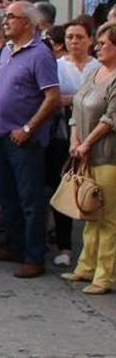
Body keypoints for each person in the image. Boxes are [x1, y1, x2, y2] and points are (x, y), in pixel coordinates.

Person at [0, 1, 61, 278]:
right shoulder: (7, 50)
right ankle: (13, 244)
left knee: (30, 198)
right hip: (1, 133)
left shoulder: (40, 54)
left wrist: (28, 128)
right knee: (7, 196)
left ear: (27, 23)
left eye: (11, 17)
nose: (5, 22)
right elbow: (0, 91)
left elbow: (52, 98)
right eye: (4, 17)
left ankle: (34, 255)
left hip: (24, 139)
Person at [64, 20, 116, 294]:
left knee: (108, 216)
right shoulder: (95, 72)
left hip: (108, 155)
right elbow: (76, 108)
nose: (98, 47)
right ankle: (85, 266)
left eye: (103, 43)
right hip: (85, 152)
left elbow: (111, 118)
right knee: (88, 210)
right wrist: (75, 139)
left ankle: (104, 275)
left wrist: (87, 143)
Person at [46, 20, 99, 265]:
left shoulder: (99, 67)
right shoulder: (56, 66)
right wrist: (80, 99)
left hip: (96, 135)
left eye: (79, 37)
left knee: (95, 191)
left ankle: (94, 250)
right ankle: (64, 246)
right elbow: (52, 99)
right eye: (69, 37)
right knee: (64, 186)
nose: (74, 42)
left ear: (90, 39)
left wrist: (72, 99)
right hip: (62, 135)